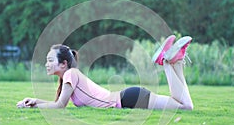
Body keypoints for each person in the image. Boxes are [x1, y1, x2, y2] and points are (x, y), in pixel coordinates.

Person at [16, 35, 193, 110]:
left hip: (128, 99)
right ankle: (176, 61)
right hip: (128, 98)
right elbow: (57, 103)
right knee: (186, 105)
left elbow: (59, 106)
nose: (46, 64)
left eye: (50, 60)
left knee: (185, 107)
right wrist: (35, 101)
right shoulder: (69, 77)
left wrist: (33, 107)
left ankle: (167, 62)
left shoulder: (71, 74)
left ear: (63, 64)